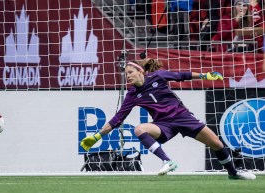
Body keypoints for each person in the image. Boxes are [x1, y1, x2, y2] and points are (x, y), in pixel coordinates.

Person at [80, 58, 256, 180]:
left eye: (130, 72)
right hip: (163, 125)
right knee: (139, 129)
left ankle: (233, 173)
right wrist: (97, 136)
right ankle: (167, 161)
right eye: (126, 74)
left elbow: (182, 75)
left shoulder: (158, 76)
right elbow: (117, 119)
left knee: (217, 145)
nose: (128, 76)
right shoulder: (132, 94)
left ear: (140, 71)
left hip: (183, 117)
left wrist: (205, 75)